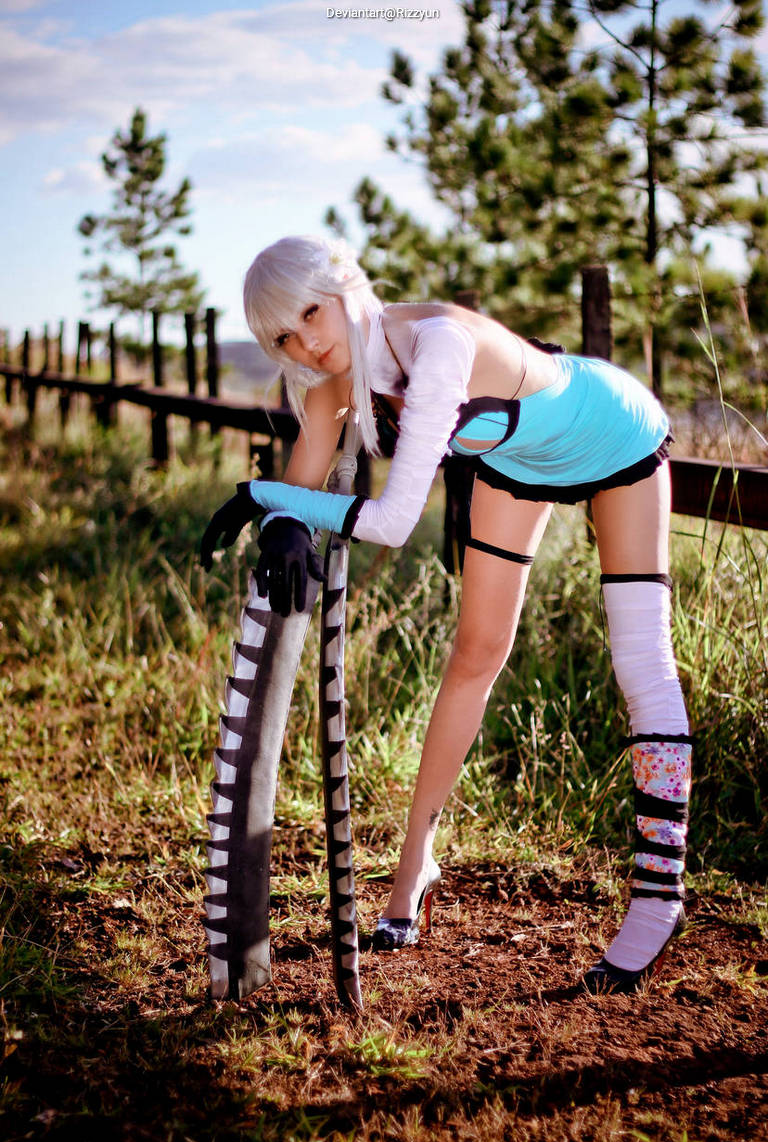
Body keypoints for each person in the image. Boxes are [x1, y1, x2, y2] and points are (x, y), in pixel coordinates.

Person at [200, 234, 692, 994]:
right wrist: (281, 522)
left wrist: (265, 498)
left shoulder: (436, 345)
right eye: (283, 336)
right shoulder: (333, 387)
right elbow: (303, 494)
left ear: (343, 284)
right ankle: (414, 865)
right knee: (474, 654)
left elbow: (391, 519)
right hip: (516, 463)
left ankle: (659, 894)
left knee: (640, 658)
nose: (307, 341)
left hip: (613, 432)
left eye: (309, 312)